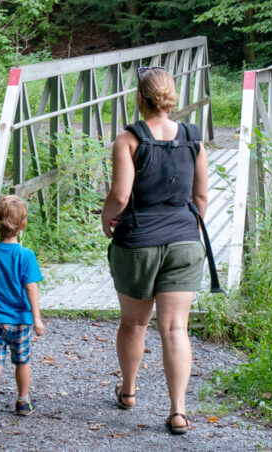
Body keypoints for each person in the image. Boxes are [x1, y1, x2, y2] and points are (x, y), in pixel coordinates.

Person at [101, 66, 208, 435]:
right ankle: (178, 412)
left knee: (134, 322)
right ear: (169, 97)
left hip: (138, 243)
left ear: (140, 98)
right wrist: (188, 230)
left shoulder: (129, 140)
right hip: (184, 240)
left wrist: (106, 218)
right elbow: (201, 197)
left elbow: (120, 196)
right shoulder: (194, 138)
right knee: (176, 327)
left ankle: (128, 391)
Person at [0, 195, 44, 429]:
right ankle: (23, 402)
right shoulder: (26, 256)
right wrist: (37, 319)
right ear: (23, 225)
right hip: (21, 321)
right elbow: (30, 287)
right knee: (22, 361)